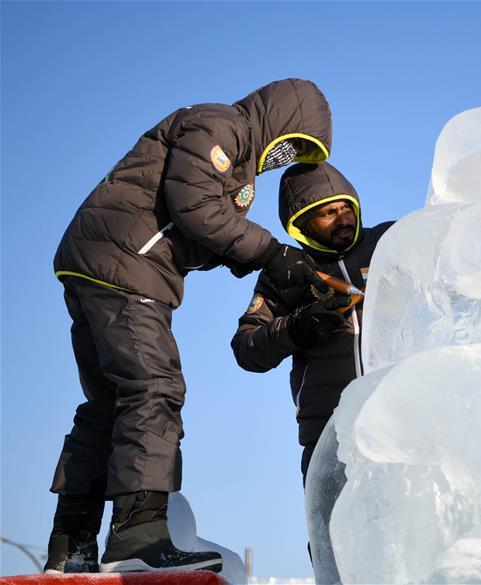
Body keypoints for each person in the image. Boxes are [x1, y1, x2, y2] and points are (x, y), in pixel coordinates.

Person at [47, 78, 331, 574]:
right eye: (293, 142)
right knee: (154, 388)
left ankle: (72, 542)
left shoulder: (236, 157)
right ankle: (138, 533)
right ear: (281, 119)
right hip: (126, 264)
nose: (286, 155)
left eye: (300, 154)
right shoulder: (223, 124)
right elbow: (195, 206)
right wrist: (271, 251)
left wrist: (264, 262)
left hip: (102, 261)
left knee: (110, 402)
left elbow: (198, 229)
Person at [231, 162, 392, 483]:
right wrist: (302, 325)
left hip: (400, 416)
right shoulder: (287, 272)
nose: (343, 218)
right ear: (302, 223)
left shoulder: (389, 242)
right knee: (334, 529)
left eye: (347, 207)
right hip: (330, 430)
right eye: (328, 213)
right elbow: (247, 349)